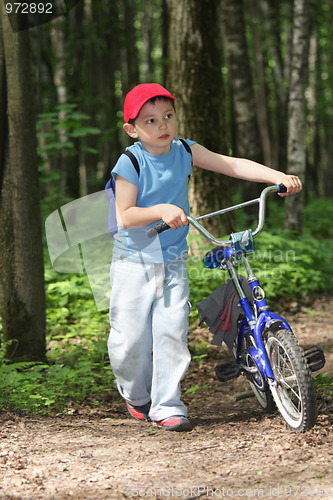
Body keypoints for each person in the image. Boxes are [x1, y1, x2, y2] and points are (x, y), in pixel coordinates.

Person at [107, 83, 302, 432]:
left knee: (171, 331)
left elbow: (232, 165)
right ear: (132, 129)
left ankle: (167, 405)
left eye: (168, 116)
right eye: (150, 121)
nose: (162, 126)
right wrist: (162, 210)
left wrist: (277, 177)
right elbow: (125, 215)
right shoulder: (131, 160)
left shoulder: (184, 150)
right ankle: (136, 395)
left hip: (172, 259)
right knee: (129, 341)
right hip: (133, 259)